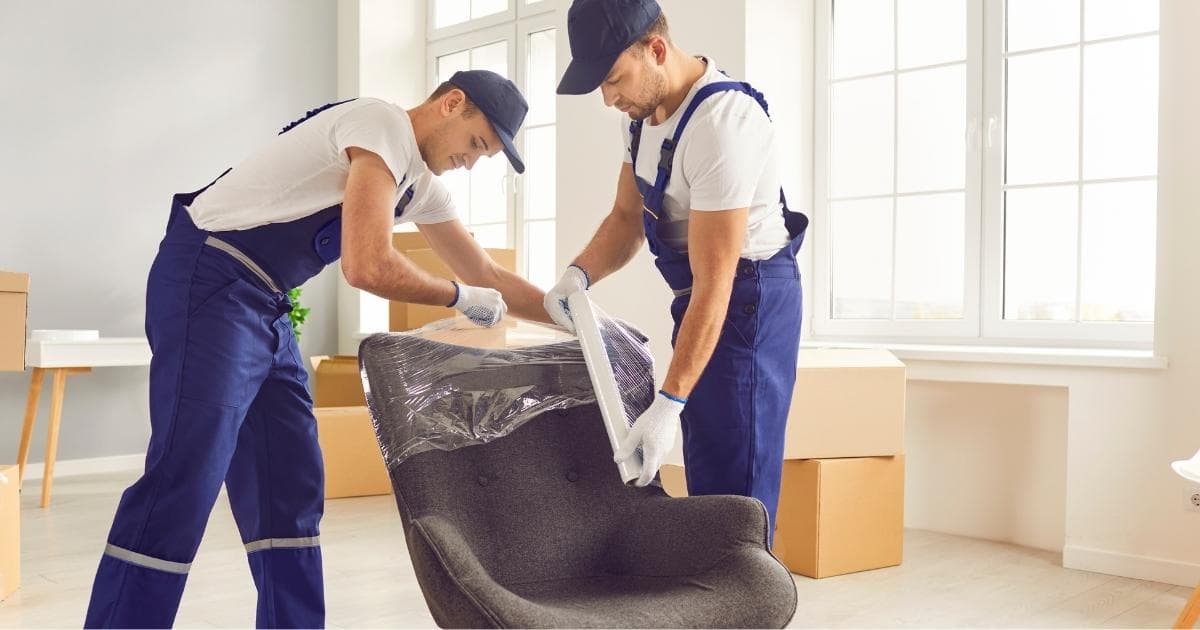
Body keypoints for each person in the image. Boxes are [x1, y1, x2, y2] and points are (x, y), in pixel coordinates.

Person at [85, 70, 547, 628]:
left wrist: (578, 315)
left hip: (265, 301)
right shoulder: (380, 124)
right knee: (186, 474)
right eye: (476, 144)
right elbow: (367, 263)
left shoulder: (419, 184)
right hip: (210, 279)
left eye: (485, 156)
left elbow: (488, 273)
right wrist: (457, 297)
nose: (471, 162)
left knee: (290, 483)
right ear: (452, 104)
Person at [545, 0, 808, 544]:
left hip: (749, 299)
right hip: (702, 296)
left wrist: (666, 404)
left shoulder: (723, 123)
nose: (608, 97)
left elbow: (718, 282)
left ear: (656, 50)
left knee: (739, 481)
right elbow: (625, 219)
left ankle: (750, 606)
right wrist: (579, 274)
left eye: (614, 79)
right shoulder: (642, 119)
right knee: (708, 461)